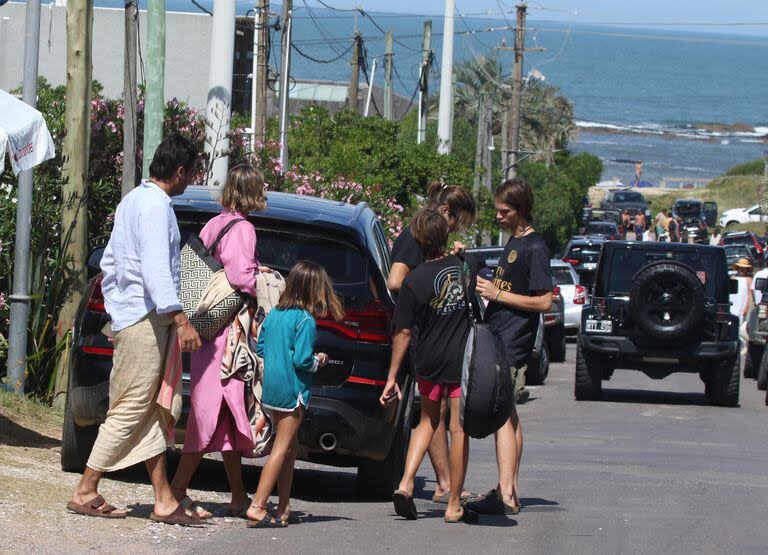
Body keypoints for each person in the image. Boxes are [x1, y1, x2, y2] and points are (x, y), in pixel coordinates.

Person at [67, 134, 204, 525]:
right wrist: (180, 320)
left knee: (149, 410)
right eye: (191, 173)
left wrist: (119, 306)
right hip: (144, 321)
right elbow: (156, 268)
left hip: (135, 317)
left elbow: (110, 261)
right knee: (130, 408)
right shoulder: (156, 207)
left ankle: (163, 498)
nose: (190, 180)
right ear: (179, 171)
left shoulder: (132, 200)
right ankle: (85, 488)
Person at [170, 164, 268, 519]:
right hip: (224, 333)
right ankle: (177, 489)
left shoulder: (215, 223)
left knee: (226, 413)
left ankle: (239, 495)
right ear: (254, 191)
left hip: (205, 325)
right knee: (209, 411)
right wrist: (265, 280)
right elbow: (241, 277)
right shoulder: (244, 229)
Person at [380, 208, 475, 524]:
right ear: (445, 237)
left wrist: (392, 377)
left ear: (418, 241)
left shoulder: (414, 281)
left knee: (427, 421)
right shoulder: (464, 270)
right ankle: (453, 505)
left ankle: (406, 483)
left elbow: (403, 332)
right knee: (458, 428)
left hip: (427, 360)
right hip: (459, 359)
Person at [466, 179, 553, 516]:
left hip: (513, 341)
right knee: (511, 419)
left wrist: (498, 295)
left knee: (502, 415)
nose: (498, 216)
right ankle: (509, 489)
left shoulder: (534, 247)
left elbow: (544, 301)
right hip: (498, 335)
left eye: (505, 211)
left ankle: (505, 495)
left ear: (521, 210)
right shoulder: (515, 241)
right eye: (497, 210)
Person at [246, 261, 343, 528]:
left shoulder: (275, 314)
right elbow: (302, 361)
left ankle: (283, 506)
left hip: (271, 389)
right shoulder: (305, 320)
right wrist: (319, 360)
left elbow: (261, 348)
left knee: (287, 449)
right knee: (281, 449)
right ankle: (258, 505)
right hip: (293, 390)